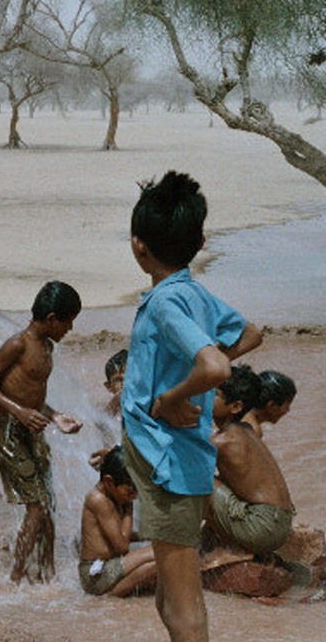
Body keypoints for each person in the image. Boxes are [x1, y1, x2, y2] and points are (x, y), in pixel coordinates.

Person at [119, 171, 263, 642]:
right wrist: (190, 381)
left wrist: (171, 397)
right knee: (169, 598)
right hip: (181, 464)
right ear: (200, 242)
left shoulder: (165, 305)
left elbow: (216, 368)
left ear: (138, 246)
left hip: (171, 468)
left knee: (182, 607)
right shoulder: (194, 293)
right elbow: (249, 334)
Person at [0, 280, 84, 583]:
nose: (70, 329)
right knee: (35, 507)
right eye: (68, 322)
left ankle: (47, 571)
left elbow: (31, 392)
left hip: (33, 430)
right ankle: (15, 577)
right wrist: (19, 412)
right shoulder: (17, 344)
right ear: (51, 319)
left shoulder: (47, 346)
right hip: (9, 431)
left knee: (48, 502)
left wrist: (56, 415)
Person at [206, 366, 295, 557]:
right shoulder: (246, 429)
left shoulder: (223, 441)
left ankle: (233, 549)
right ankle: (216, 542)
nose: (205, 397)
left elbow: (186, 468)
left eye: (214, 394)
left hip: (262, 527)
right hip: (279, 525)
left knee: (196, 480)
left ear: (236, 406)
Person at [79, 445, 157, 597]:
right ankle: (110, 595)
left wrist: (151, 534)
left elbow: (118, 535)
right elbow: (122, 546)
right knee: (161, 554)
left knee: (160, 558)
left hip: (109, 566)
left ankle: (118, 590)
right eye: (130, 491)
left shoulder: (111, 494)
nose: (134, 496)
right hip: (95, 575)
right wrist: (129, 510)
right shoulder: (98, 500)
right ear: (108, 481)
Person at [89, 348, 128, 469]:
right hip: (116, 466)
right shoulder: (107, 408)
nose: (124, 383)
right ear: (108, 386)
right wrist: (117, 399)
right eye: (118, 380)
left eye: (129, 377)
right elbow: (101, 421)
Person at [242, 369, 296, 437]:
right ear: (272, 406)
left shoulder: (236, 410)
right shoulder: (253, 431)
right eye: (287, 405)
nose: (288, 410)